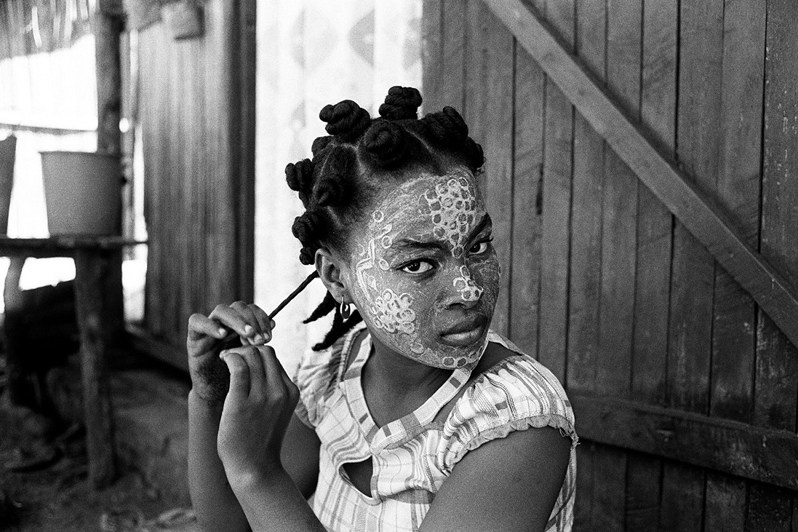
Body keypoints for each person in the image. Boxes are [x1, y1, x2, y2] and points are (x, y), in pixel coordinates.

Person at [186, 87, 577, 531]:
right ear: (336, 277)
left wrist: (257, 472)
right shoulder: (332, 373)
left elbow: (258, 488)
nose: (468, 290)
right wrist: (209, 395)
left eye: (478, 246)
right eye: (418, 264)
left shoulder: (513, 419)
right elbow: (230, 525)